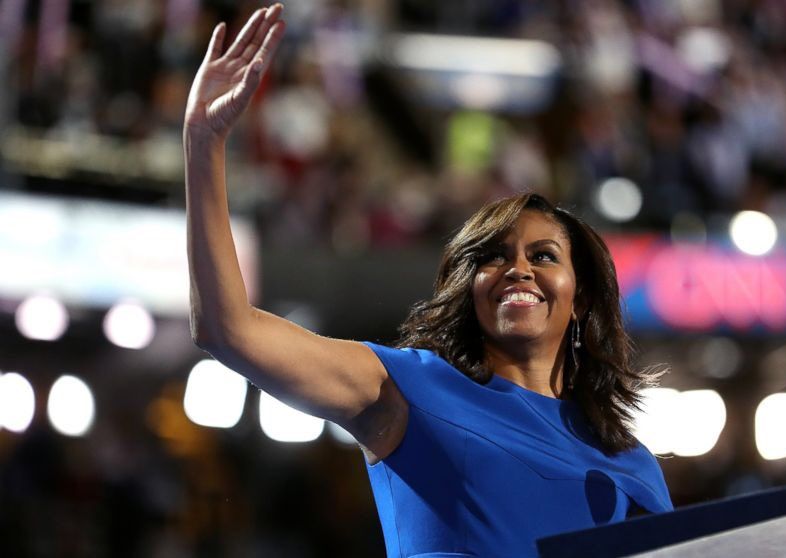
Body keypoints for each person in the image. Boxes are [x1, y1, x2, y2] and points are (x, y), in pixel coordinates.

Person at [183, 4, 673, 556]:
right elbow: (228, 330)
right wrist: (204, 145)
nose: (519, 268)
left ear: (580, 296)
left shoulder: (631, 464)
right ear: (470, 288)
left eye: (543, 256)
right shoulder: (406, 390)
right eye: (494, 257)